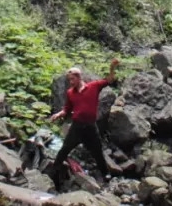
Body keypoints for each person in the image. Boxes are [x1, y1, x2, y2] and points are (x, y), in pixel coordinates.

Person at [49, 58, 119, 188]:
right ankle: (52, 174)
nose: (70, 82)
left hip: (91, 127)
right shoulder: (70, 93)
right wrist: (58, 114)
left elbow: (109, 80)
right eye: (69, 80)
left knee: (97, 151)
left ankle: (106, 175)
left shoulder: (94, 86)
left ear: (78, 77)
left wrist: (112, 68)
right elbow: (67, 109)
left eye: (72, 79)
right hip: (77, 127)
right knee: (64, 150)